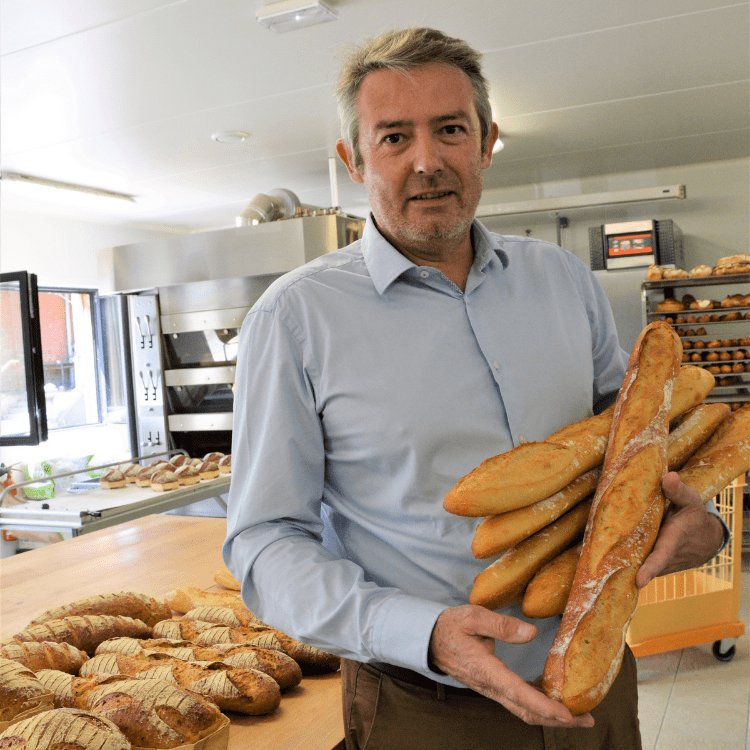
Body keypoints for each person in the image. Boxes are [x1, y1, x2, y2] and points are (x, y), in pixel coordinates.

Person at [223, 27, 727, 750]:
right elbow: (266, 542)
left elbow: (641, 443)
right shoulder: (296, 318)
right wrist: (424, 633)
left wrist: (705, 525)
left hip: (597, 675)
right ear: (355, 160)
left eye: (450, 130)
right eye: (394, 137)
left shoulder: (560, 279)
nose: (427, 162)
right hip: (425, 705)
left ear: (487, 141)